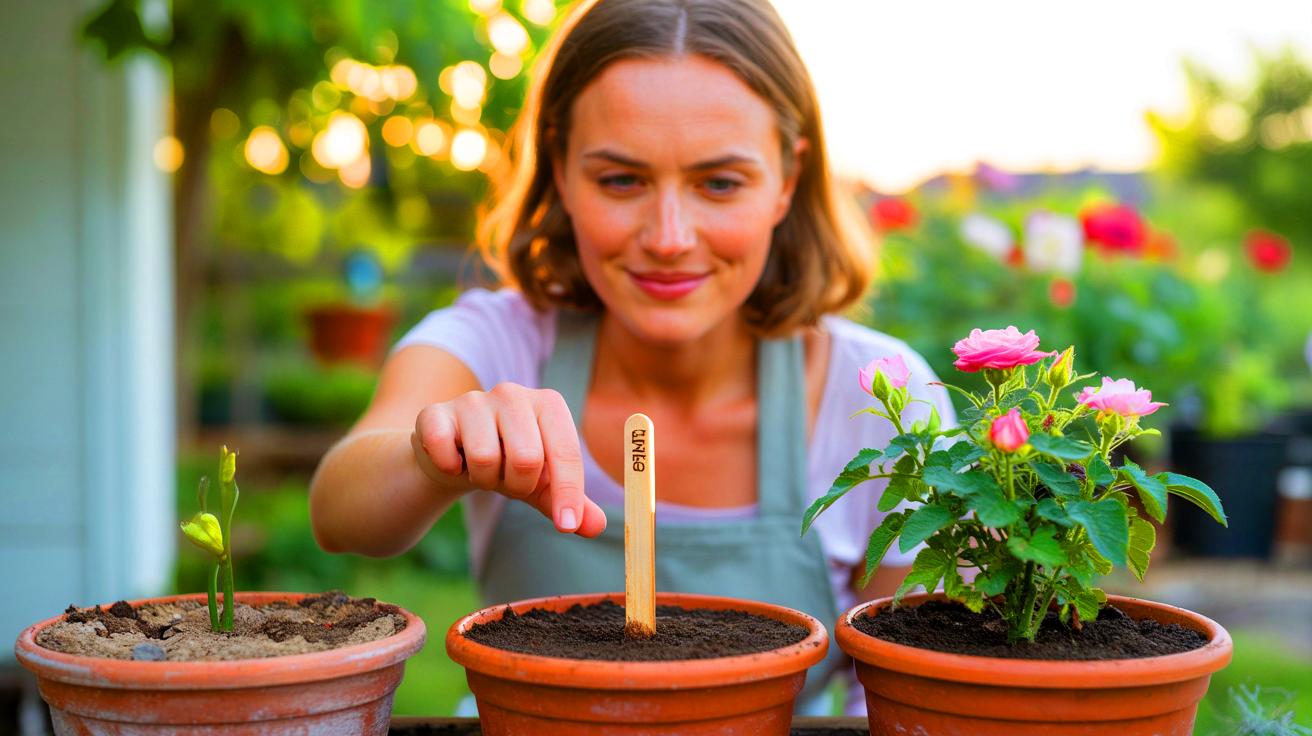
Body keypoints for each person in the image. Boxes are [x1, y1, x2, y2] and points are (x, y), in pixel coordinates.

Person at [309, 0, 954, 716]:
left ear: (786, 179)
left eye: (719, 183)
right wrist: (434, 454)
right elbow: (340, 511)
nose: (669, 237)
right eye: (621, 180)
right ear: (561, 171)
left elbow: (902, 695)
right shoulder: (497, 344)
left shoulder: (879, 396)